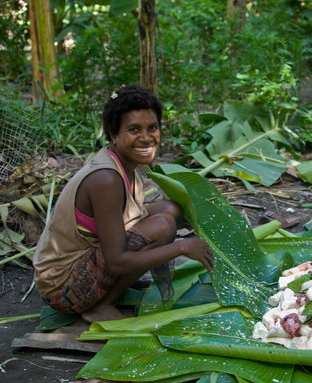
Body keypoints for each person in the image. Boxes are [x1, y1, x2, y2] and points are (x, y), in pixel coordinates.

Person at [33, 85, 215, 323]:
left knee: (172, 210)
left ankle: (113, 288)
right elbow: (117, 261)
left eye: (152, 128)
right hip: (62, 288)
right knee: (163, 226)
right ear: (113, 134)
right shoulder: (106, 179)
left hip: (87, 264)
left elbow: (128, 218)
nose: (146, 138)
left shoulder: (124, 164)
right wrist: (182, 247)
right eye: (134, 129)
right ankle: (101, 305)